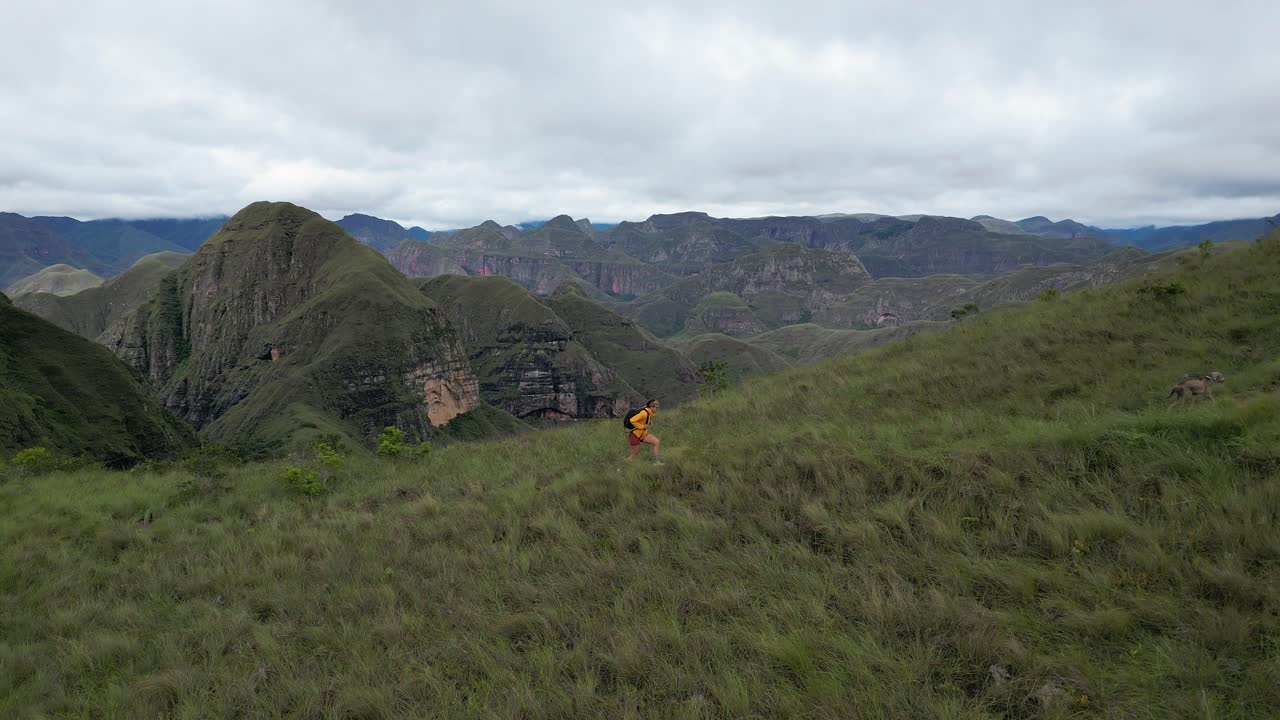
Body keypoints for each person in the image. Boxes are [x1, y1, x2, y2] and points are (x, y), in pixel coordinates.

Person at [626, 399, 661, 464]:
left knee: (656, 442)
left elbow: (646, 422)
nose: (656, 409)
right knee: (634, 455)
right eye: (656, 407)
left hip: (643, 435)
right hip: (635, 436)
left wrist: (649, 424)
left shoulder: (649, 413)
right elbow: (632, 420)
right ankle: (621, 468)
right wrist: (642, 426)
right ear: (651, 407)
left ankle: (657, 462)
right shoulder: (644, 413)